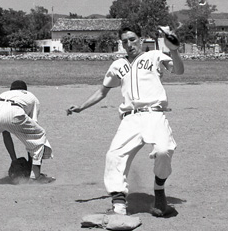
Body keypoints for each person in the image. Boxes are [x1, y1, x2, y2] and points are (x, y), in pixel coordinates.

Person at [67, 24, 184, 217]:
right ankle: (119, 206)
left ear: (140, 39)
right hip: (130, 119)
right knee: (114, 156)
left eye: (132, 39)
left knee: (164, 151)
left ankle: (159, 192)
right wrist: (81, 106)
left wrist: (174, 50)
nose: (129, 44)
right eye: (124, 41)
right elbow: (102, 92)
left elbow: (178, 70)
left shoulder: (154, 56)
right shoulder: (117, 65)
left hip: (154, 114)